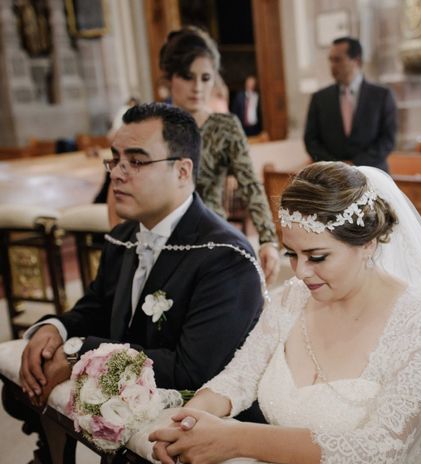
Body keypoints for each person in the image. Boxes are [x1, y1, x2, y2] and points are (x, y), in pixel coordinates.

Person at [145, 161, 421, 464]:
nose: (300, 272)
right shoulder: (292, 298)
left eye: (317, 257)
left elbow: (383, 452)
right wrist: (187, 422)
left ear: (368, 243)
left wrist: (235, 439)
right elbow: (238, 379)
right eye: (292, 254)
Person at [18, 103, 264, 399]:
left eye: (135, 161)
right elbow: (97, 308)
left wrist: (78, 353)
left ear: (182, 171)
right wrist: (56, 329)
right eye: (115, 160)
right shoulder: (123, 236)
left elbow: (192, 371)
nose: (117, 174)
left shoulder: (225, 256)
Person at [157, 26, 280, 283]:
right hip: (159, 239)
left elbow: (250, 185)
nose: (197, 87)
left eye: (205, 77)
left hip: (210, 238)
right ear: (169, 77)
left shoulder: (226, 126)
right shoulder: (152, 126)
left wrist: (268, 240)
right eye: (187, 77)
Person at [304, 37, 397, 173]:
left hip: (373, 175)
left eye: (338, 60)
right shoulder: (320, 98)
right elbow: (311, 140)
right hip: (332, 178)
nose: (332, 66)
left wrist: (355, 164)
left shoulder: (382, 96)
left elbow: (388, 140)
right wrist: (337, 166)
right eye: (331, 60)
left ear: (357, 61)